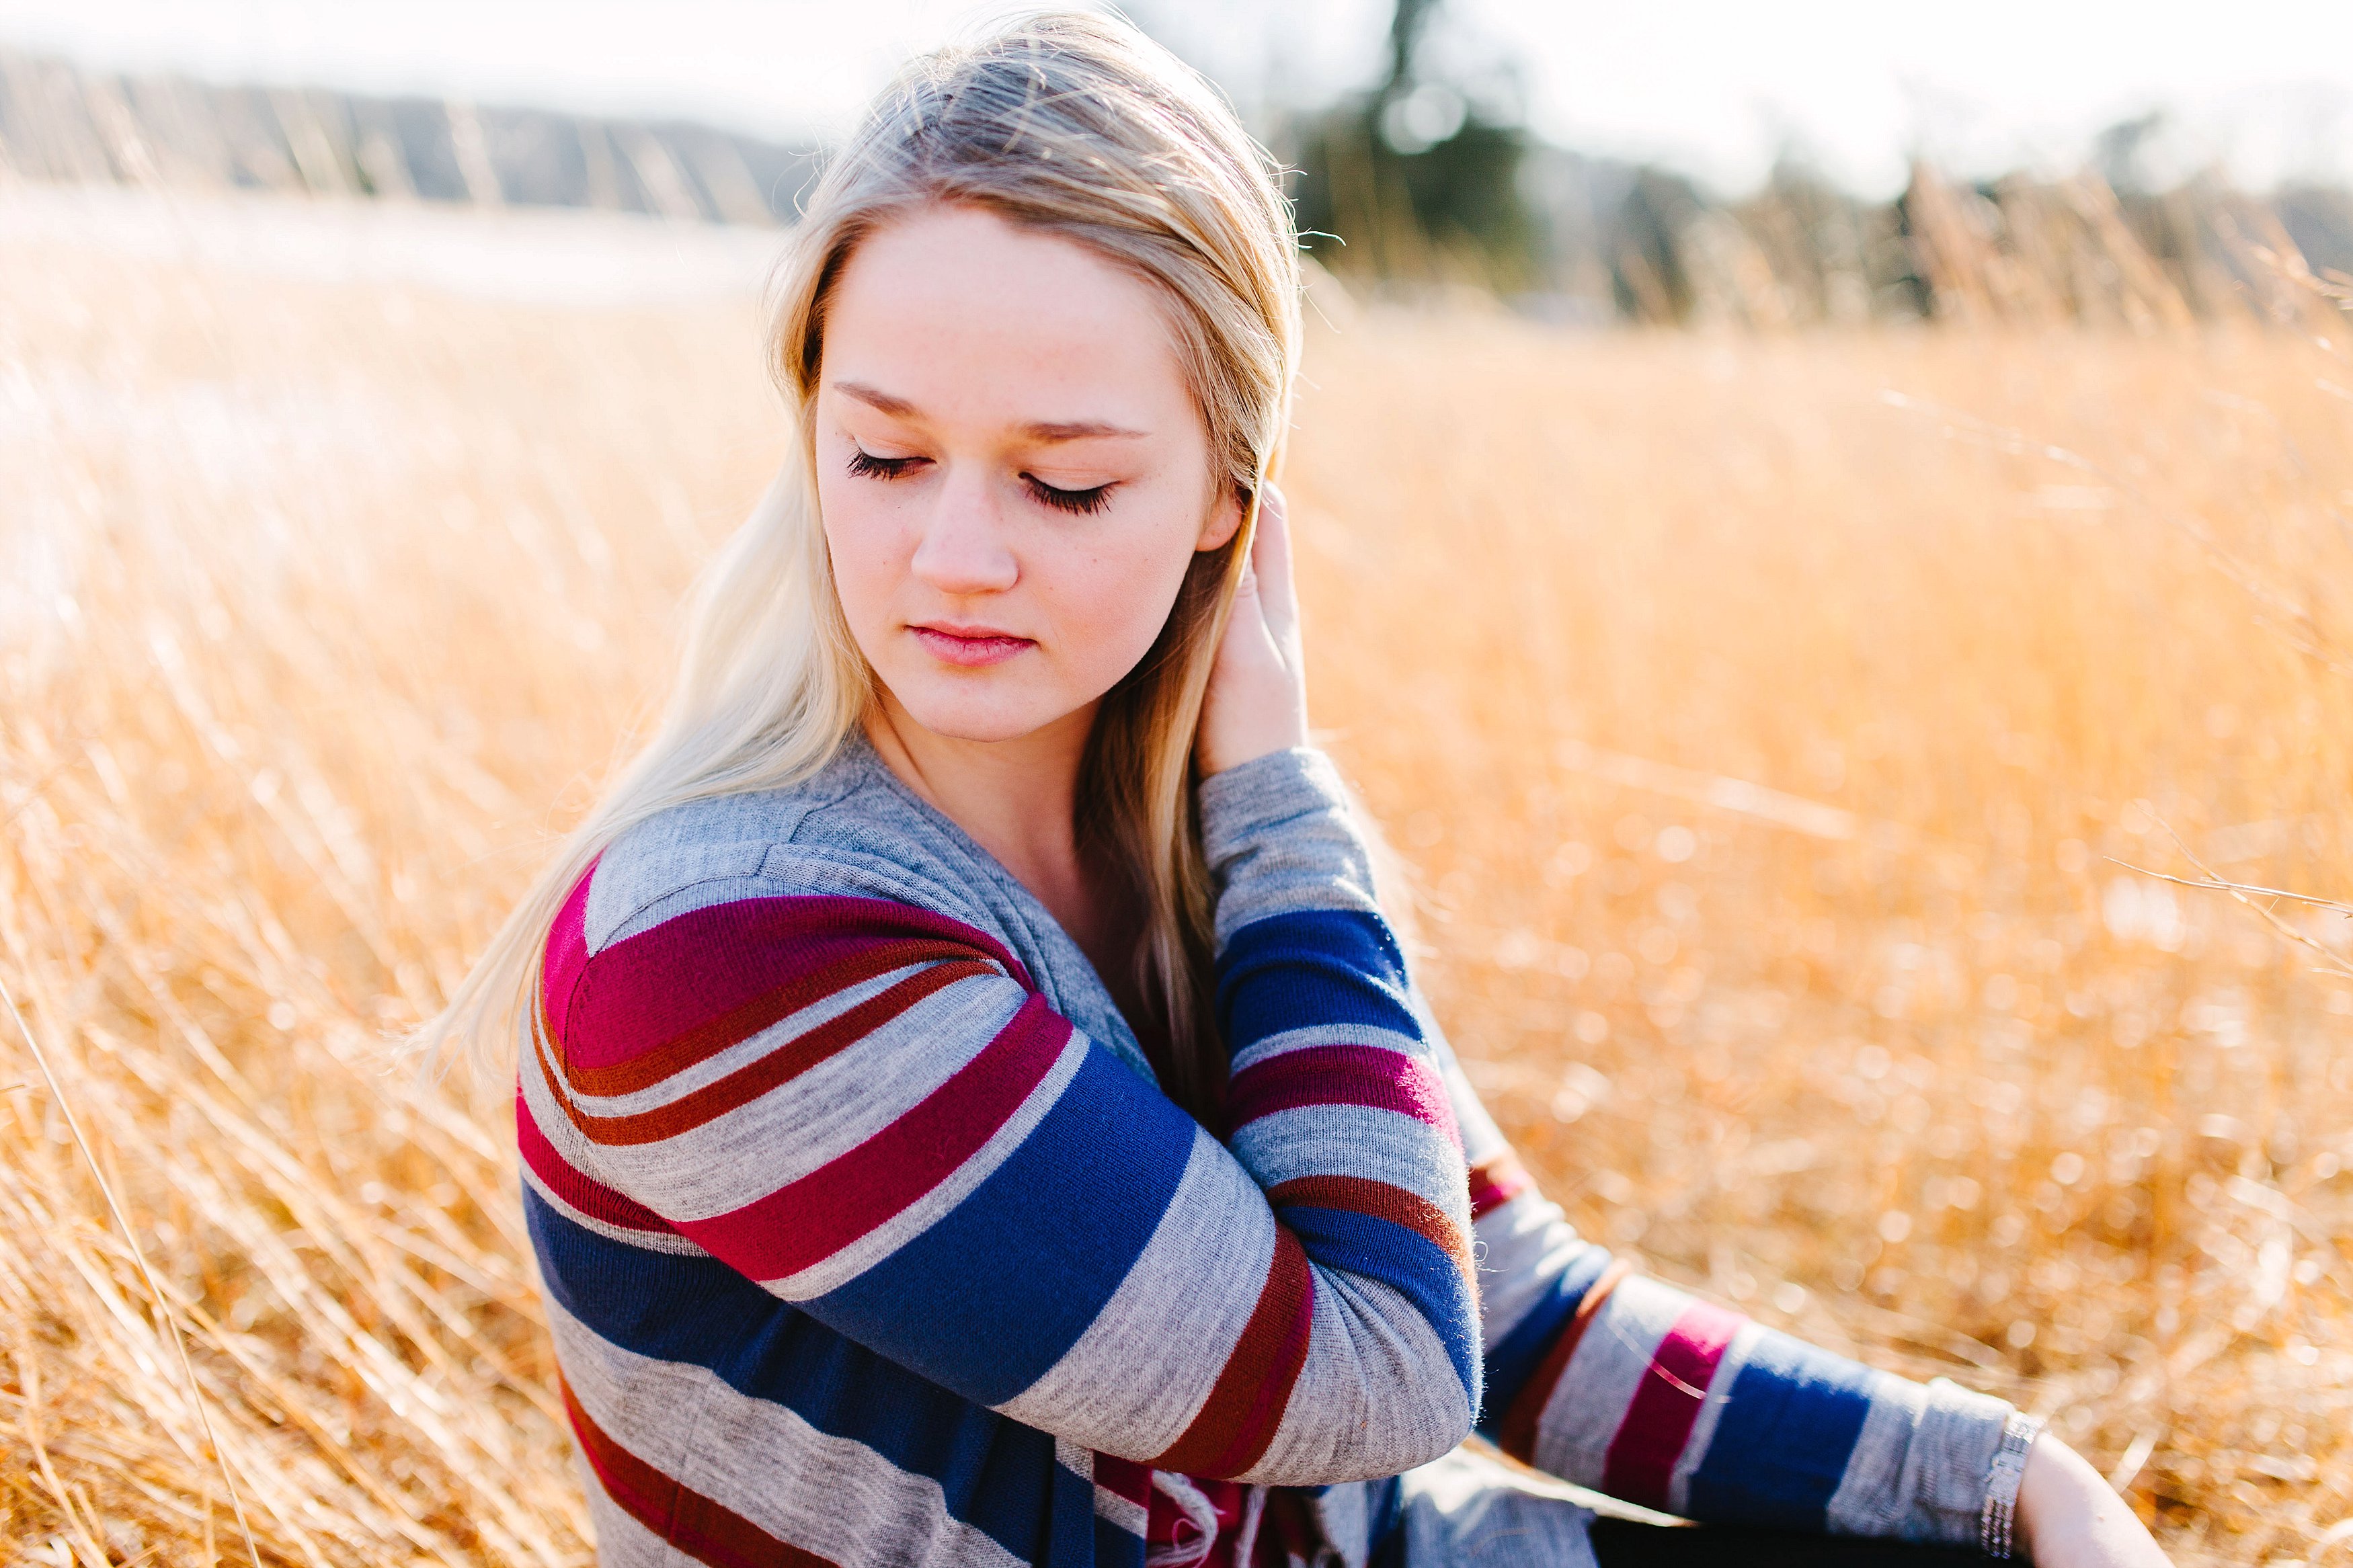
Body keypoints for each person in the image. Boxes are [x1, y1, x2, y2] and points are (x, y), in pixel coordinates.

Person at [430, 14, 2171, 1567]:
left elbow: (1519, 1318)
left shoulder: (1191, 853)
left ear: (1224, 499)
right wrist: (1274, 793)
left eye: (1065, 483)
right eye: (883, 455)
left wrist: (2006, 1481)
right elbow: (1384, 1376)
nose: (952, 557)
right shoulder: (724, 945)